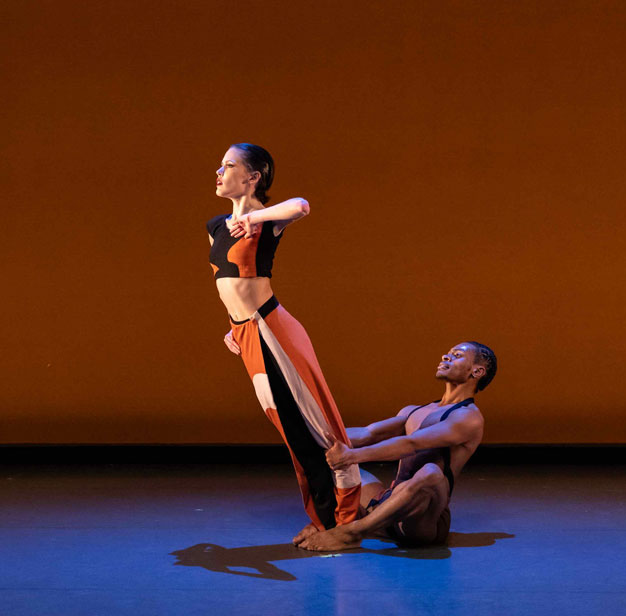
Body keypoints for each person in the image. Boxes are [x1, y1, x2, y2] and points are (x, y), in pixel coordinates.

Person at [207, 143, 361, 540]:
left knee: (314, 425)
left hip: (273, 329)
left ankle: (343, 522)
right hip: (247, 332)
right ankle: (326, 519)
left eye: (229, 165)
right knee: (289, 429)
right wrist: (233, 324)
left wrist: (255, 216)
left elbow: (302, 206)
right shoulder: (215, 227)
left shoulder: (266, 221)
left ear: (253, 176)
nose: (219, 172)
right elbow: (229, 283)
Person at [296, 341, 496, 551]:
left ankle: (352, 533)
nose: (446, 357)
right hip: (388, 502)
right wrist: (311, 435)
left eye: (456, 355)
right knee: (330, 461)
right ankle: (326, 523)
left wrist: (351, 456)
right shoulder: (415, 410)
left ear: (477, 371)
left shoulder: (468, 418)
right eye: (447, 353)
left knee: (431, 473)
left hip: (420, 521)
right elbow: (367, 433)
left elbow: (411, 444)